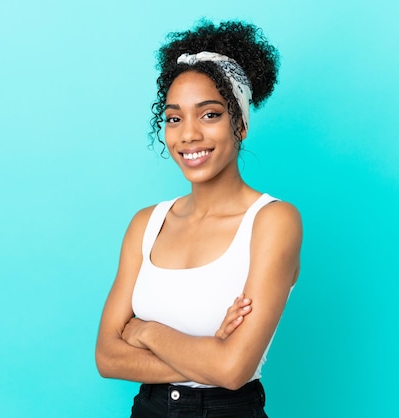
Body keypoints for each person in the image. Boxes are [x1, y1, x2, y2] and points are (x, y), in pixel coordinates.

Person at [95, 19, 302, 417]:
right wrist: (208, 355)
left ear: (239, 123)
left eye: (208, 115)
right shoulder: (147, 224)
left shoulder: (273, 221)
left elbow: (233, 369)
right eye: (174, 118)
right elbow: (107, 357)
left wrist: (144, 331)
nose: (188, 135)